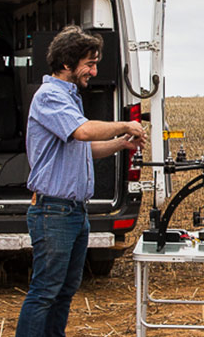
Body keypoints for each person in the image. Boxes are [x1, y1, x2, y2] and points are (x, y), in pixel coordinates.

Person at [16, 25, 146, 337]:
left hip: (73, 212)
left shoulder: (69, 98)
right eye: (89, 63)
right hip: (53, 213)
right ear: (66, 64)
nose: (94, 70)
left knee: (62, 293)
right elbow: (83, 132)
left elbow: (81, 148)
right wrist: (124, 124)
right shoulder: (50, 96)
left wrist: (120, 144)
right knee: (45, 292)